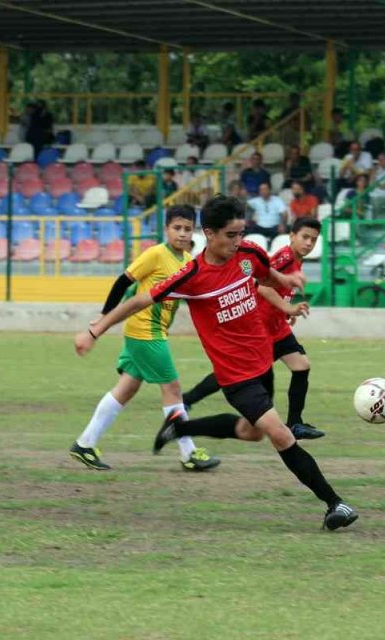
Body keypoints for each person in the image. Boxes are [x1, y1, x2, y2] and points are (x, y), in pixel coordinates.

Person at [75, 195, 359, 531]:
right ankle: (334, 504)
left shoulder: (248, 254)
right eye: (230, 235)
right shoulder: (192, 274)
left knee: (251, 433)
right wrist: (95, 330)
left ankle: (181, 427)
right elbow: (137, 300)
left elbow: (265, 275)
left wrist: (286, 282)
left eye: (241, 233)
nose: (238, 242)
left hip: (261, 363)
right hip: (235, 376)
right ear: (209, 234)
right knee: (281, 435)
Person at [69, 205, 220, 472]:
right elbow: (123, 283)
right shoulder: (155, 254)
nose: (183, 234)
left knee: (126, 389)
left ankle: (85, 443)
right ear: (166, 229)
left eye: (188, 229)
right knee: (172, 390)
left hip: (153, 331)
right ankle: (189, 453)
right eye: (177, 228)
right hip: (145, 331)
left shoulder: (187, 262)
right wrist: (103, 316)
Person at [182, 217, 325, 441]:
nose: (308, 243)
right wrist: (287, 306)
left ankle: (295, 423)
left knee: (301, 366)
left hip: (277, 328)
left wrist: (287, 311)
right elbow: (262, 286)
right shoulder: (285, 258)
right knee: (236, 375)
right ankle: (187, 400)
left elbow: (278, 289)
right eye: (304, 237)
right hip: (261, 330)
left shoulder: (296, 260)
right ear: (291, 236)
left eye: (313, 240)